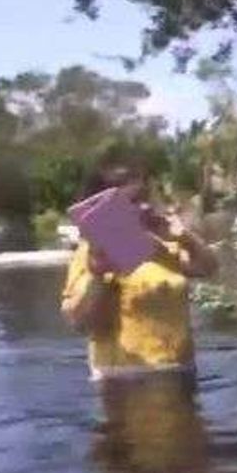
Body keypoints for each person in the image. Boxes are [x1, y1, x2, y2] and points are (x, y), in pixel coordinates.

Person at [60, 161, 218, 381]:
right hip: (123, 379)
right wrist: (98, 276)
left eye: (146, 198)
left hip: (180, 372)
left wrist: (185, 237)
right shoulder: (92, 253)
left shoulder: (163, 245)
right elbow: (79, 321)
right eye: (133, 201)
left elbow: (208, 268)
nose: (144, 207)